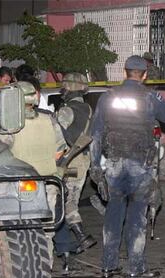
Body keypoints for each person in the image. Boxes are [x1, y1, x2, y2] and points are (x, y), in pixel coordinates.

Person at [89, 55, 165, 278]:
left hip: (115, 165)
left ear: (125, 72)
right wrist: (156, 98)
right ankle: (135, 268)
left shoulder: (108, 97)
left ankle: (109, 265)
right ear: (145, 75)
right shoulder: (148, 97)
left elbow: (96, 134)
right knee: (137, 217)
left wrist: (95, 167)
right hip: (140, 166)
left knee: (113, 214)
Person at [0, 77, 67, 265]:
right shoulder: (49, 120)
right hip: (49, 183)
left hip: (20, 186)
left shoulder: (9, 126)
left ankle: (26, 270)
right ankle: (46, 269)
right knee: (46, 232)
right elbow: (60, 150)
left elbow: (0, 155)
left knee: (21, 232)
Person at [56, 72, 97, 252]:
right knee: (68, 198)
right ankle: (69, 240)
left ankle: (81, 236)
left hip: (68, 160)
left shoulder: (66, 111)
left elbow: (57, 138)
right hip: (83, 160)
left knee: (67, 201)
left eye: (64, 86)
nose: (62, 90)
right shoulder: (88, 109)